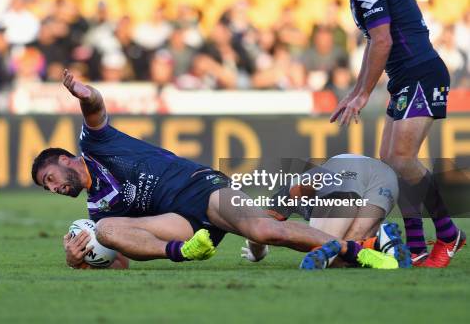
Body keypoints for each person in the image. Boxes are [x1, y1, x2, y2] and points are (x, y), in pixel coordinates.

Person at [32, 70, 404, 270]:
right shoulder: (98, 209)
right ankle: (185, 252)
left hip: (199, 188)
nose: (52, 189)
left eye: (49, 179)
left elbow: (94, 106)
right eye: (46, 188)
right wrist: (80, 260)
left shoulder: (94, 145)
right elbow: (123, 257)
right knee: (107, 230)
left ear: (65, 159)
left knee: (266, 230)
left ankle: (359, 252)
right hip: (179, 224)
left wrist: (85, 93)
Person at [309, 0, 465, 268]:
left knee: (402, 160)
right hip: (406, 76)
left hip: (420, 73)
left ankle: (448, 233)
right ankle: (415, 245)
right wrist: (355, 90)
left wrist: (364, 94)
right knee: (390, 164)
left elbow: (383, 41)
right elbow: (374, 42)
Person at [241, 154, 410, 267]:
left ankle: (379, 242)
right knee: (351, 249)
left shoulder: (288, 191)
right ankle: (383, 242)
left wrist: (257, 254)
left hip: (343, 170)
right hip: (385, 176)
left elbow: (259, 230)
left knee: (325, 246)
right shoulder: (308, 181)